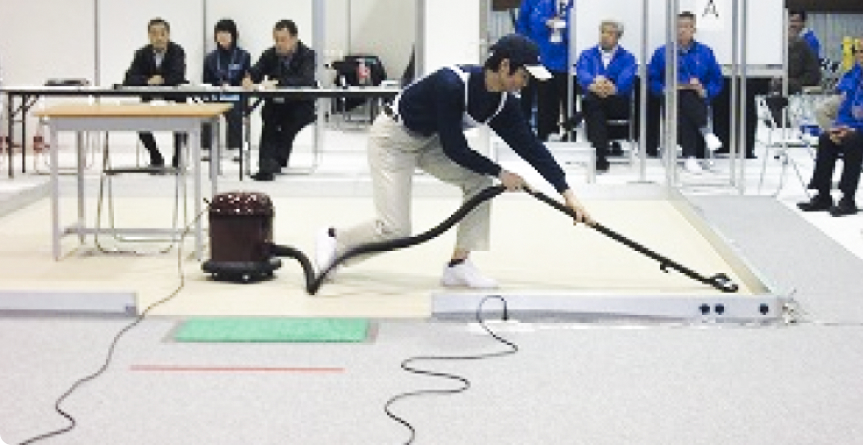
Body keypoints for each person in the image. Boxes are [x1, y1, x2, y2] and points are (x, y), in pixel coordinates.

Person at [313, 34, 590, 289]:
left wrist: (567, 193)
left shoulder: (503, 103)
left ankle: (458, 265)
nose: (525, 84)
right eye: (524, 76)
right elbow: (455, 148)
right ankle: (335, 239)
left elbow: (530, 147)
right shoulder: (452, 83)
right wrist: (501, 172)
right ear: (505, 66)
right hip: (393, 139)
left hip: (430, 141)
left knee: (480, 184)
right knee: (396, 229)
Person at [797, 34, 863, 217]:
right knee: (826, 138)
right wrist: (839, 127)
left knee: (852, 140)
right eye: (859, 51)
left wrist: (855, 128)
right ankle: (823, 195)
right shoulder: (856, 75)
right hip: (857, 128)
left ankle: (848, 198)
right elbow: (846, 107)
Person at [648, 11, 723, 174]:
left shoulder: (705, 52)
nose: (682, 30)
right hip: (671, 98)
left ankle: (688, 154)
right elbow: (653, 79)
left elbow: (716, 80)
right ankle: (704, 135)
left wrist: (704, 90)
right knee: (683, 98)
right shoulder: (662, 53)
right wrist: (665, 89)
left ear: (694, 29)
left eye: (687, 26)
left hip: (698, 98)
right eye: (679, 26)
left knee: (688, 99)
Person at [242, 20, 317, 181]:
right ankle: (265, 168)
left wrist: (278, 83)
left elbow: (306, 80)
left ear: (294, 38)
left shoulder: (307, 55)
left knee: (289, 122)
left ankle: (276, 160)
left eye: (283, 39)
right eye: (276, 39)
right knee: (269, 120)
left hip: (301, 104)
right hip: (276, 103)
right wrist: (248, 78)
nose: (279, 44)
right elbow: (256, 71)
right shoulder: (269, 54)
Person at [123, 18, 187, 169]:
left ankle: (178, 157)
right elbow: (129, 78)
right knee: (139, 120)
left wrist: (162, 80)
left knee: (183, 120)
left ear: (168, 35)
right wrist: (148, 81)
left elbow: (178, 75)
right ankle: (155, 156)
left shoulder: (177, 51)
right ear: (149, 36)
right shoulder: (141, 53)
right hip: (149, 98)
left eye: (162, 34)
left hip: (173, 97)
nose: (159, 38)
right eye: (154, 34)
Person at [573, 20, 637, 173]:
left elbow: (626, 80)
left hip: (617, 101)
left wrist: (611, 88)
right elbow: (582, 74)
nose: (605, 36)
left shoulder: (628, 57)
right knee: (594, 103)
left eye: (610, 33)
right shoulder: (587, 54)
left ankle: (579, 120)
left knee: (592, 103)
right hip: (595, 97)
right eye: (603, 32)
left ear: (618, 37)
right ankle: (600, 154)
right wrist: (594, 84)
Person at [530, 0, 574, 142]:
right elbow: (534, 20)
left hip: (567, 59)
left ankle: (570, 133)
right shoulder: (548, 2)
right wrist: (546, 22)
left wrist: (565, 24)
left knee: (568, 98)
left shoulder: (578, 3)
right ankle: (545, 133)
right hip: (547, 56)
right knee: (545, 99)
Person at [515, 0, 558, 125]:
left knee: (548, 95)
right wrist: (526, 48)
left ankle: (547, 129)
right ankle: (524, 125)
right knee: (527, 90)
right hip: (532, 51)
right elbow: (522, 25)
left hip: (553, 54)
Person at [201, 18, 251, 154]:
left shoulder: (244, 56)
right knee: (206, 110)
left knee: (234, 110)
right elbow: (206, 81)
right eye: (219, 33)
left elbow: (247, 78)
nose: (222, 36)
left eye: (226, 33)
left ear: (233, 35)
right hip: (216, 94)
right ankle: (206, 147)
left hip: (236, 95)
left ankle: (234, 147)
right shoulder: (210, 58)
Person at [767, 19, 822, 127]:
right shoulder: (780, 47)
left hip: (801, 81)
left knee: (778, 89)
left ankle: (780, 121)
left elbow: (813, 74)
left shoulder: (802, 46)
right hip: (786, 81)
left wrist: (788, 80)